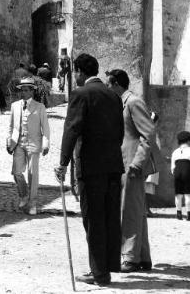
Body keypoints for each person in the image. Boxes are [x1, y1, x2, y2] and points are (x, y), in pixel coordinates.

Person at [54, 54, 124, 287]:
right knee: (110, 218)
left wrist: (63, 163)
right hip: (113, 166)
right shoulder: (114, 96)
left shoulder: (81, 94)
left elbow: (72, 130)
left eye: (74, 73)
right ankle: (107, 267)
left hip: (92, 168)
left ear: (80, 72)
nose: (74, 77)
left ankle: (100, 274)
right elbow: (120, 133)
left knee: (94, 220)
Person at [106, 69, 158, 273]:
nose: (108, 88)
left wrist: (137, 162)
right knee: (136, 212)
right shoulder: (121, 104)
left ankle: (130, 258)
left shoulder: (133, 102)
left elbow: (149, 133)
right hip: (125, 164)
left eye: (109, 84)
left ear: (117, 84)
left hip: (132, 165)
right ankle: (143, 257)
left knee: (129, 211)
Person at [7, 77, 50, 215]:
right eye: (22, 90)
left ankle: (33, 203)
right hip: (18, 143)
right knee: (17, 172)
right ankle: (24, 195)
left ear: (32, 91)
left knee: (33, 174)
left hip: (34, 143)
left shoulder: (40, 107)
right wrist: (9, 140)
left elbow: (46, 128)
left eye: (26, 90)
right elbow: (11, 126)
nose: (23, 93)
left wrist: (46, 144)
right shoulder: (15, 106)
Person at [171, 131, 190, 221]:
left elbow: (172, 167)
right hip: (188, 171)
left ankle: (179, 214)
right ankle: (189, 215)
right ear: (189, 141)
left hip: (177, 172)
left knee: (178, 194)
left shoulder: (175, 152)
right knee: (188, 194)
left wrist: (175, 174)